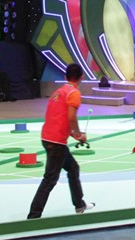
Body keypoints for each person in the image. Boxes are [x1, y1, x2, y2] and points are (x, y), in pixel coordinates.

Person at [27, 63, 95, 219]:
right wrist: (79, 134)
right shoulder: (74, 93)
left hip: (48, 137)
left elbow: (59, 118)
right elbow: (71, 118)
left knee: (73, 168)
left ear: (65, 77)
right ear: (82, 77)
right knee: (50, 179)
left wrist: (74, 135)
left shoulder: (57, 93)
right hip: (56, 142)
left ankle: (79, 204)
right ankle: (33, 216)